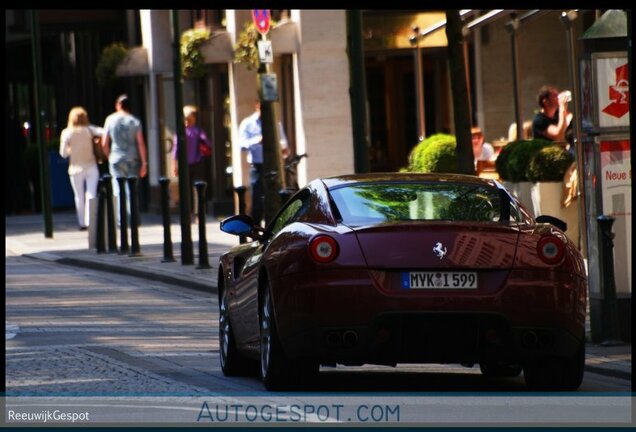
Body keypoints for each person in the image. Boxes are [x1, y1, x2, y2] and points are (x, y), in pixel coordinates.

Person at [238, 100, 289, 225]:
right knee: (257, 201)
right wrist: (257, 140)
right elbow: (242, 145)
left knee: (274, 199)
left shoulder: (275, 123)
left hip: (274, 166)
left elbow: (284, 143)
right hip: (257, 166)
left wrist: (283, 147)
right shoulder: (248, 123)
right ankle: (255, 229)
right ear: (257, 107)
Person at [102, 94, 148, 223]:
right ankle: (133, 217)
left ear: (118, 105)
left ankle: (121, 219)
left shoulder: (110, 119)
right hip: (132, 158)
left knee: (118, 188)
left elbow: (104, 142)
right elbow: (140, 143)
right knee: (132, 189)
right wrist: (144, 162)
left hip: (116, 157)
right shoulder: (135, 121)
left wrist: (109, 155)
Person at [59, 106, 100, 230]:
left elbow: (63, 153)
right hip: (91, 165)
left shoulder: (67, 133)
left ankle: (82, 222)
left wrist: (71, 150)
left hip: (75, 168)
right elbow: (104, 132)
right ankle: (90, 220)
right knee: (91, 193)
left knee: (79, 196)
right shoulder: (90, 130)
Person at [172, 105, 211, 218]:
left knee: (191, 190)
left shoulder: (190, 131)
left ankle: (193, 213)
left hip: (191, 164)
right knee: (193, 190)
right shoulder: (196, 131)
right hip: (193, 163)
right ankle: (195, 214)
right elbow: (208, 144)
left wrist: (174, 165)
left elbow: (175, 149)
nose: (187, 121)